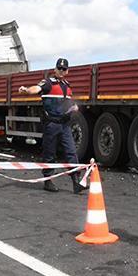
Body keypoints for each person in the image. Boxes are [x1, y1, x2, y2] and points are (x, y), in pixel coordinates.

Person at [19, 58, 86, 194]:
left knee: (71, 152)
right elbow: (36, 89)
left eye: (64, 69)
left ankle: (76, 182)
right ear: (55, 69)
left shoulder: (67, 86)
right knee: (49, 153)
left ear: (67, 71)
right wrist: (26, 90)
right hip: (52, 124)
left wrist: (74, 107)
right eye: (59, 68)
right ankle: (48, 181)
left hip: (65, 125)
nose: (61, 71)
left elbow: (67, 102)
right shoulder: (48, 83)